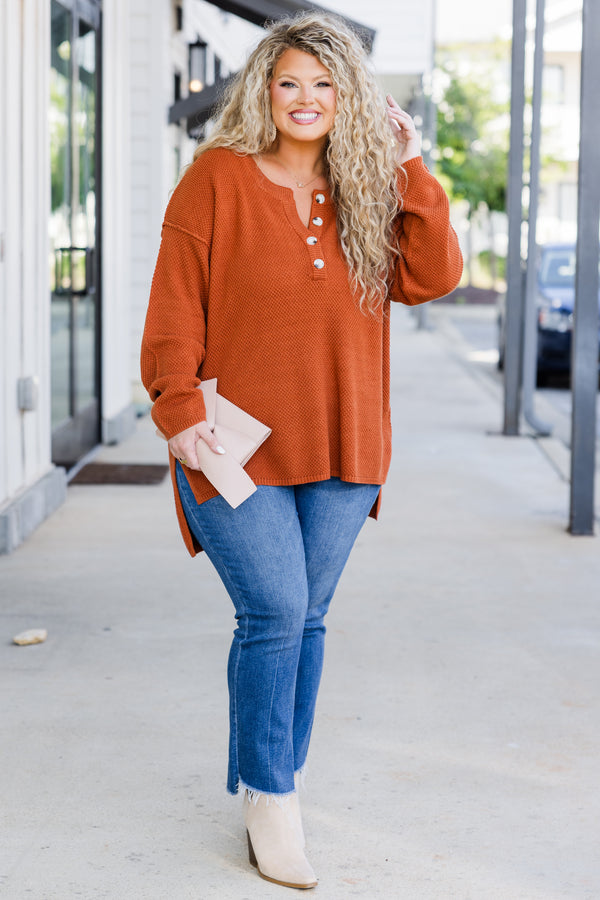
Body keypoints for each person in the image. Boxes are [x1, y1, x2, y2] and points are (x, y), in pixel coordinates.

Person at [141, 11, 462, 890]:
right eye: (290, 82)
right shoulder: (214, 180)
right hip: (229, 445)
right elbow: (173, 307)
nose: (307, 99)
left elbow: (434, 276)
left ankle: (275, 773)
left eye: (325, 85)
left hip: (346, 443)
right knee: (277, 610)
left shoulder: (366, 187)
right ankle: (269, 797)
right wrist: (175, 407)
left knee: (307, 618)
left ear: (348, 97)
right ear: (264, 91)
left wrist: (408, 164)